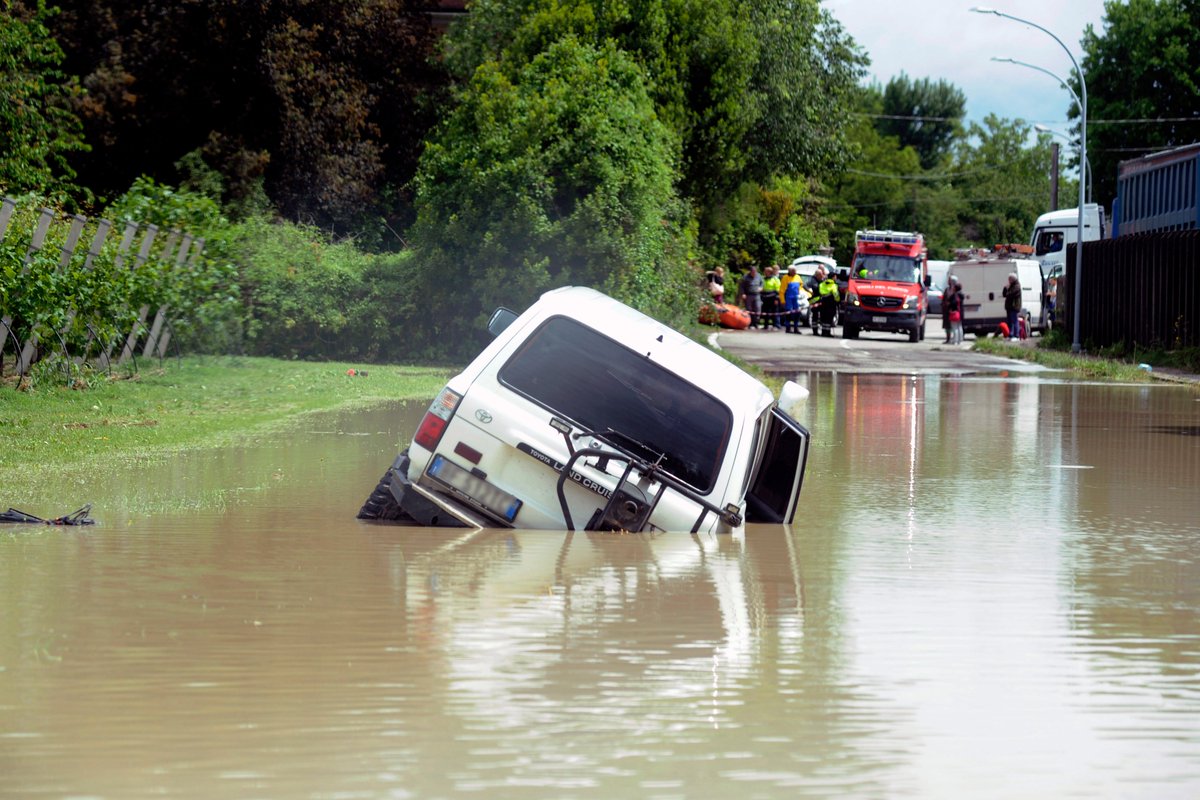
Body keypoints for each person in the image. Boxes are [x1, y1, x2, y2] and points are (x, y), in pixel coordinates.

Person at [813, 267, 840, 336]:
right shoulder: (833, 285)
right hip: (830, 304)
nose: (836, 278)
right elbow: (836, 295)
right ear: (833, 277)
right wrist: (838, 301)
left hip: (822, 303)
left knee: (824, 318)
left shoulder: (822, 284)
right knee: (829, 318)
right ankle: (827, 332)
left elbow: (818, 292)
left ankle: (823, 332)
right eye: (835, 277)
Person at [738, 264, 763, 329]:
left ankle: (756, 323)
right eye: (753, 272)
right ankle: (750, 323)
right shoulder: (745, 277)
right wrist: (743, 293)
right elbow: (741, 286)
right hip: (748, 295)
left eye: (755, 272)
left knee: (757, 308)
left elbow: (762, 283)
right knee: (749, 310)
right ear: (750, 271)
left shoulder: (759, 276)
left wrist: (761, 288)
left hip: (757, 295)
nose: (754, 273)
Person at [782, 266, 804, 334]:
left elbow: (801, 285)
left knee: (797, 313)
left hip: (796, 298)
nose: (795, 272)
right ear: (789, 271)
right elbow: (782, 290)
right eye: (793, 271)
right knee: (788, 313)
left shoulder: (798, 277)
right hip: (788, 298)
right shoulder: (785, 278)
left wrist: (801, 293)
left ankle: (796, 328)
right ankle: (788, 328)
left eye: (795, 271)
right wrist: (782, 300)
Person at [1001, 272, 1022, 342]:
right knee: (1009, 321)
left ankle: (1016, 335)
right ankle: (1011, 335)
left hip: (1014, 306)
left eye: (1009, 279)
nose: (1008, 280)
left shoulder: (1016, 286)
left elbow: (1010, 294)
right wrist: (1005, 288)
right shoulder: (1011, 286)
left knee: (1014, 321)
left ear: (1012, 279)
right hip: (1009, 307)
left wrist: (1008, 289)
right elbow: (1004, 295)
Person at [761, 265, 782, 329]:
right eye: (764, 272)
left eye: (766, 272)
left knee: (775, 312)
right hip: (765, 298)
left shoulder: (775, 279)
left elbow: (778, 290)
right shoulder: (764, 279)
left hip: (773, 298)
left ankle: (776, 325)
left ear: (770, 272)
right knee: (766, 312)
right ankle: (766, 325)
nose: (765, 273)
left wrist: (776, 298)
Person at [946, 278, 964, 345]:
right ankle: (960, 340)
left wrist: (949, 306)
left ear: (956, 288)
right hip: (960, 313)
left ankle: (955, 341)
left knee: (955, 327)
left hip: (954, 313)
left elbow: (953, 303)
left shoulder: (955, 295)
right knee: (960, 327)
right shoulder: (961, 294)